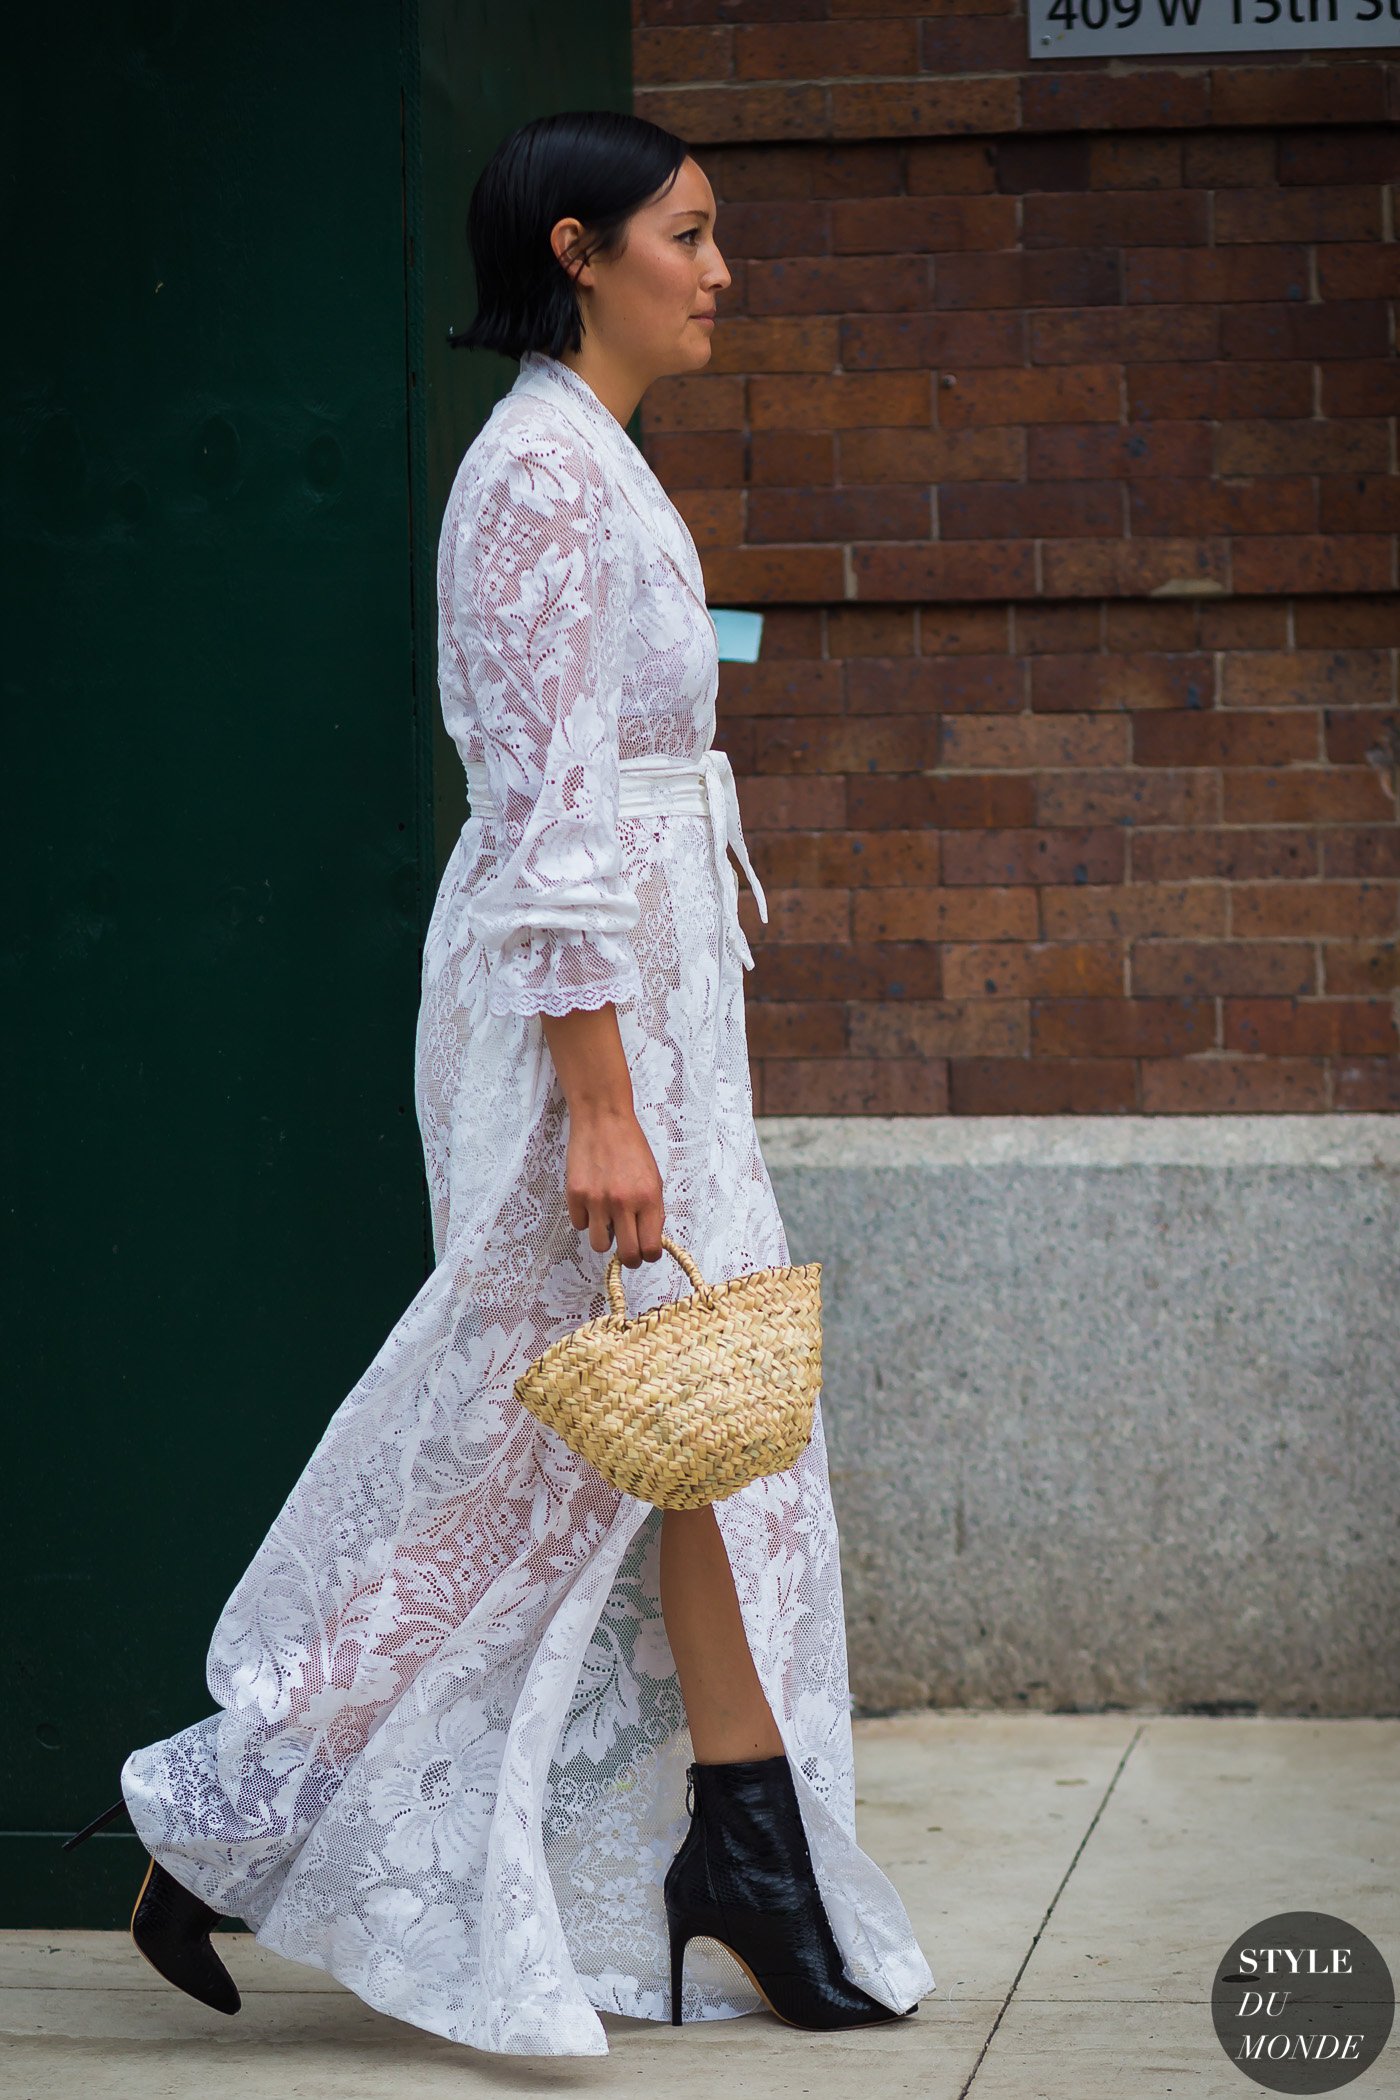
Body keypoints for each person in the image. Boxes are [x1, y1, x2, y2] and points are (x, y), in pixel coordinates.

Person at [61, 109, 935, 2058]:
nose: (720, 274)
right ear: (579, 246)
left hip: (650, 1017)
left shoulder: (593, 464)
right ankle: (234, 1810)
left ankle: (748, 1845)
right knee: (534, 1443)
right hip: (586, 1038)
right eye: (689, 238)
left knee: (694, 1416)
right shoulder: (534, 478)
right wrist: (604, 1103)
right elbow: (543, 824)